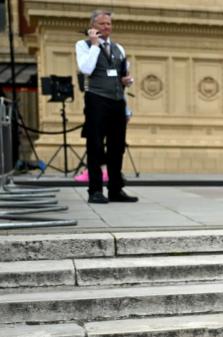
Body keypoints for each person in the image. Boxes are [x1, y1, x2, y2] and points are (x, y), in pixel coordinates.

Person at [75, 9, 137, 204]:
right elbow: (86, 69)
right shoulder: (83, 45)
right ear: (93, 26)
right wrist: (94, 45)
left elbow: (122, 78)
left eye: (108, 23)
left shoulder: (119, 48)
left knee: (117, 147)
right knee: (95, 146)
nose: (106, 27)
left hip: (117, 101)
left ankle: (116, 189)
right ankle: (95, 190)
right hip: (97, 100)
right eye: (102, 24)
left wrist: (127, 82)